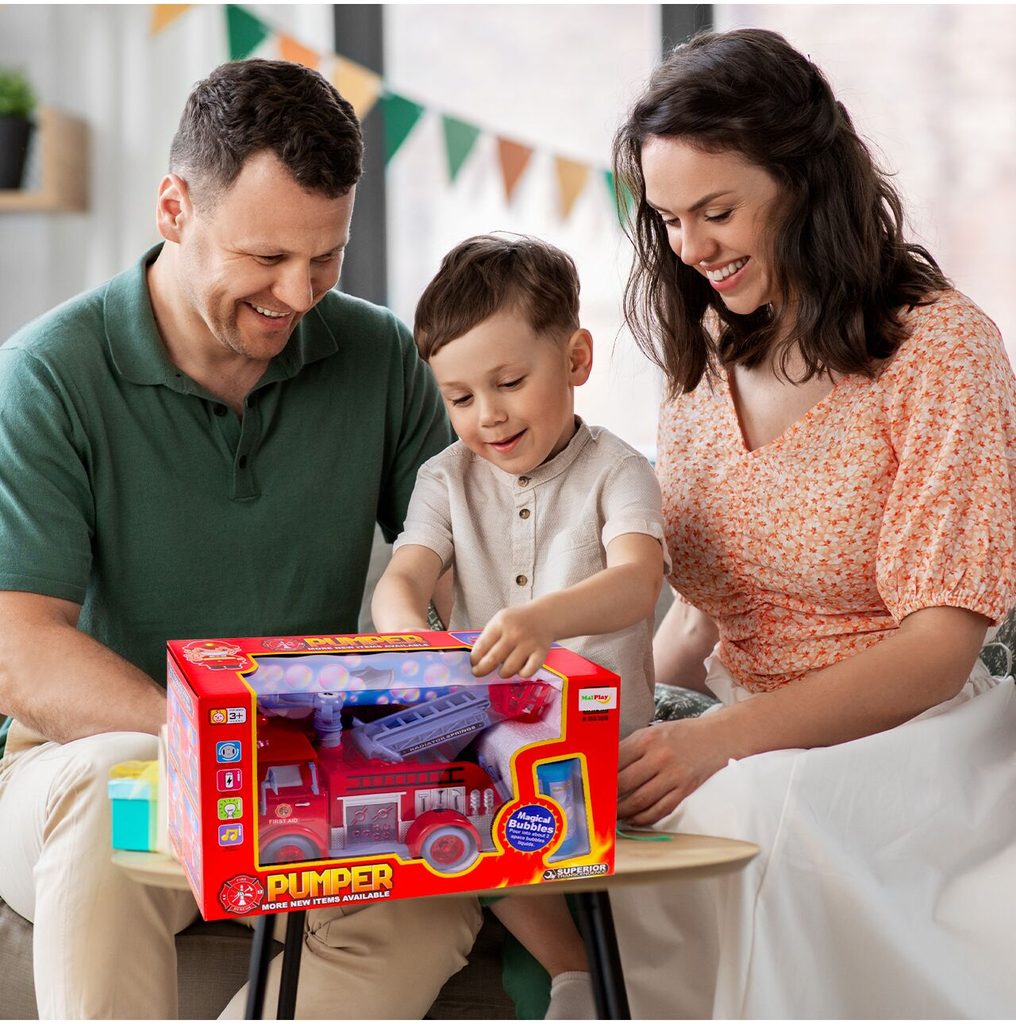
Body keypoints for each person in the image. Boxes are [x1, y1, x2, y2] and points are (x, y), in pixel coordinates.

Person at [0, 59, 482, 1020]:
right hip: (97, 759)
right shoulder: (47, 374)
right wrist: (218, 747)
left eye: (326, 257)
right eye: (266, 257)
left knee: (435, 899)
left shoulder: (381, 355)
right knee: (109, 784)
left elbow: (462, 567)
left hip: (314, 775)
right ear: (174, 209)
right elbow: (19, 649)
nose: (298, 294)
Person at [607, 27, 1016, 1018]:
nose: (690, 249)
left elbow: (937, 648)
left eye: (717, 212)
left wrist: (721, 742)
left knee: (750, 813)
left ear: (804, 182)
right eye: (668, 219)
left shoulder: (941, 350)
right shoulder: (701, 353)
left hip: (912, 740)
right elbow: (705, 615)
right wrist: (601, 723)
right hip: (738, 724)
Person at [371, 233, 668, 1019]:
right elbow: (403, 578)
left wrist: (542, 621)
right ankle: (573, 970)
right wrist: (412, 638)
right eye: (461, 398)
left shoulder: (617, 470)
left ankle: (584, 967)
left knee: (493, 790)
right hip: (485, 738)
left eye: (509, 383)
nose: (488, 416)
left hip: (603, 741)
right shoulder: (445, 477)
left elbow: (638, 580)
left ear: (575, 359)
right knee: (442, 790)